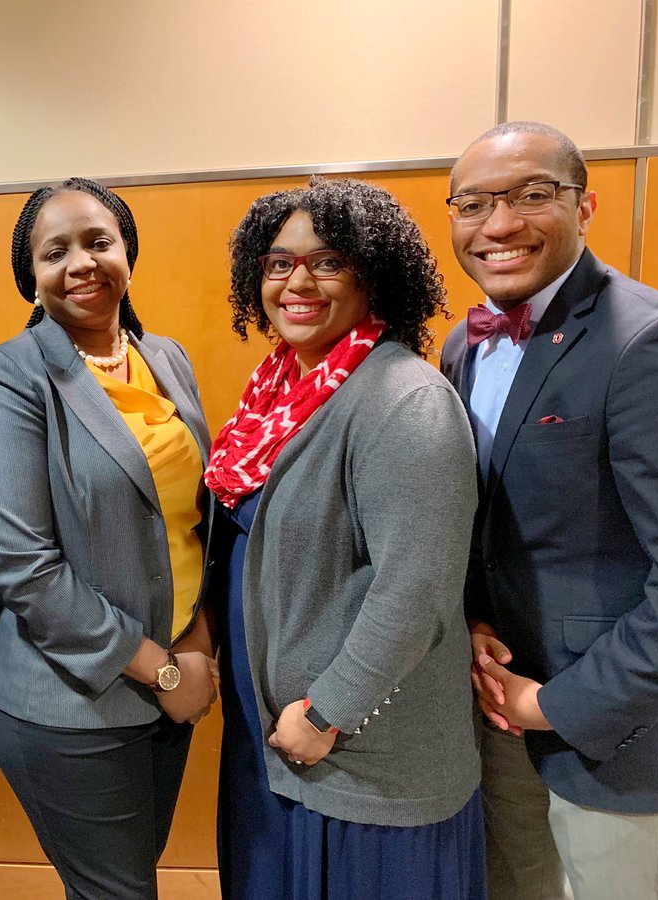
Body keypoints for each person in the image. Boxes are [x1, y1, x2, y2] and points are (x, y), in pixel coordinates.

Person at [207, 176, 484, 900]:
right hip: (274, 742)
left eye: (328, 262)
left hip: (356, 755)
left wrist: (330, 711)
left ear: (374, 276)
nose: (297, 282)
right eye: (279, 263)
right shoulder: (278, 391)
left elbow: (416, 589)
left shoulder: (403, 400)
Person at [0, 177, 217, 900]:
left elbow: (192, 521)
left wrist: (197, 644)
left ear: (127, 252)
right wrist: (165, 673)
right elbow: (21, 567)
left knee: (131, 877)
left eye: (99, 242)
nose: (81, 263)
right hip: (73, 703)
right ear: (31, 276)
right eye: (55, 252)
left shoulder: (166, 357)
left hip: (172, 677)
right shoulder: (8, 376)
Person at [440, 121, 658, 900]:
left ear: (586, 207)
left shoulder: (646, 340)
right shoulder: (460, 347)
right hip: (497, 715)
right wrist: (472, 620)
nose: (500, 224)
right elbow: (483, 522)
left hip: (617, 732)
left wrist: (557, 704)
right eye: (474, 204)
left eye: (532, 195)